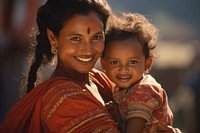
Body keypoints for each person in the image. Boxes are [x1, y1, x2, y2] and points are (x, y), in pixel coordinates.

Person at [0, 0, 182, 132]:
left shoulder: (99, 79)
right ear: (53, 38)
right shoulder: (65, 99)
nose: (87, 49)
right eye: (76, 38)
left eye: (96, 37)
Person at [101, 13, 174, 133]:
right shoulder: (123, 88)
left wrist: (116, 115)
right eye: (114, 62)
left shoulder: (143, 91)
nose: (123, 69)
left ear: (147, 63)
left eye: (133, 62)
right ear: (103, 64)